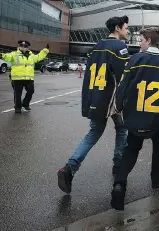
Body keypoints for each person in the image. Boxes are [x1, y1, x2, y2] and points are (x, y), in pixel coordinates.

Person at [57, 16, 130, 194]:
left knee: (94, 132)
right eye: (126, 27)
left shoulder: (95, 47)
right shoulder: (119, 47)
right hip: (111, 98)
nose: (128, 31)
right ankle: (118, 164)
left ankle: (70, 167)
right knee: (122, 128)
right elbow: (124, 76)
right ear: (118, 28)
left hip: (96, 97)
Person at [110, 27, 159, 210]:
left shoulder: (135, 59)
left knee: (131, 149)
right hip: (157, 118)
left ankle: (120, 183)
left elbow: (123, 86)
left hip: (136, 116)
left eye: (141, 39)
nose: (140, 43)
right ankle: (155, 181)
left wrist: (121, 106)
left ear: (148, 40)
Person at [0, 41, 49, 113]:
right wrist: (1, 55)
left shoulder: (32, 56)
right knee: (17, 94)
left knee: (31, 91)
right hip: (17, 78)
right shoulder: (14, 54)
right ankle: (18, 107)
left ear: (27, 47)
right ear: (19, 46)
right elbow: (8, 56)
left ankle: (25, 104)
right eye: (21, 45)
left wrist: (45, 50)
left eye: (25, 46)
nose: (23, 47)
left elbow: (39, 57)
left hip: (28, 78)